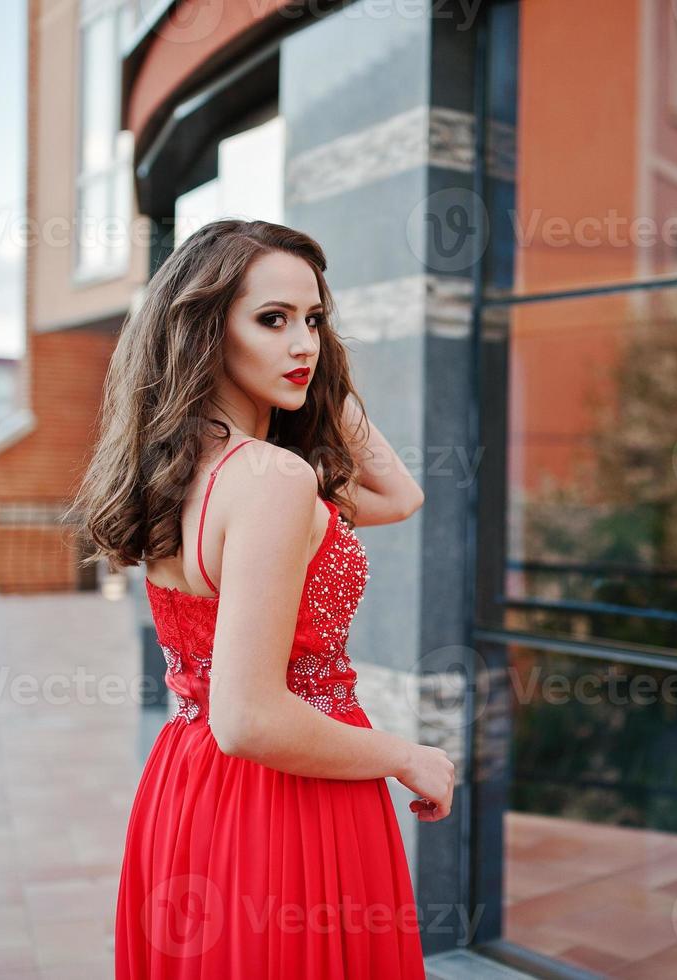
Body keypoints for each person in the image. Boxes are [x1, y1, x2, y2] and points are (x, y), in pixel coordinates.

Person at [72, 219, 453, 978]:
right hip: (290, 799)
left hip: (187, 785)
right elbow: (249, 718)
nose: (303, 343)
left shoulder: (178, 472)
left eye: (314, 321)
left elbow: (397, 495)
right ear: (207, 332)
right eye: (271, 320)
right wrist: (406, 756)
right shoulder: (273, 482)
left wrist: (317, 378)